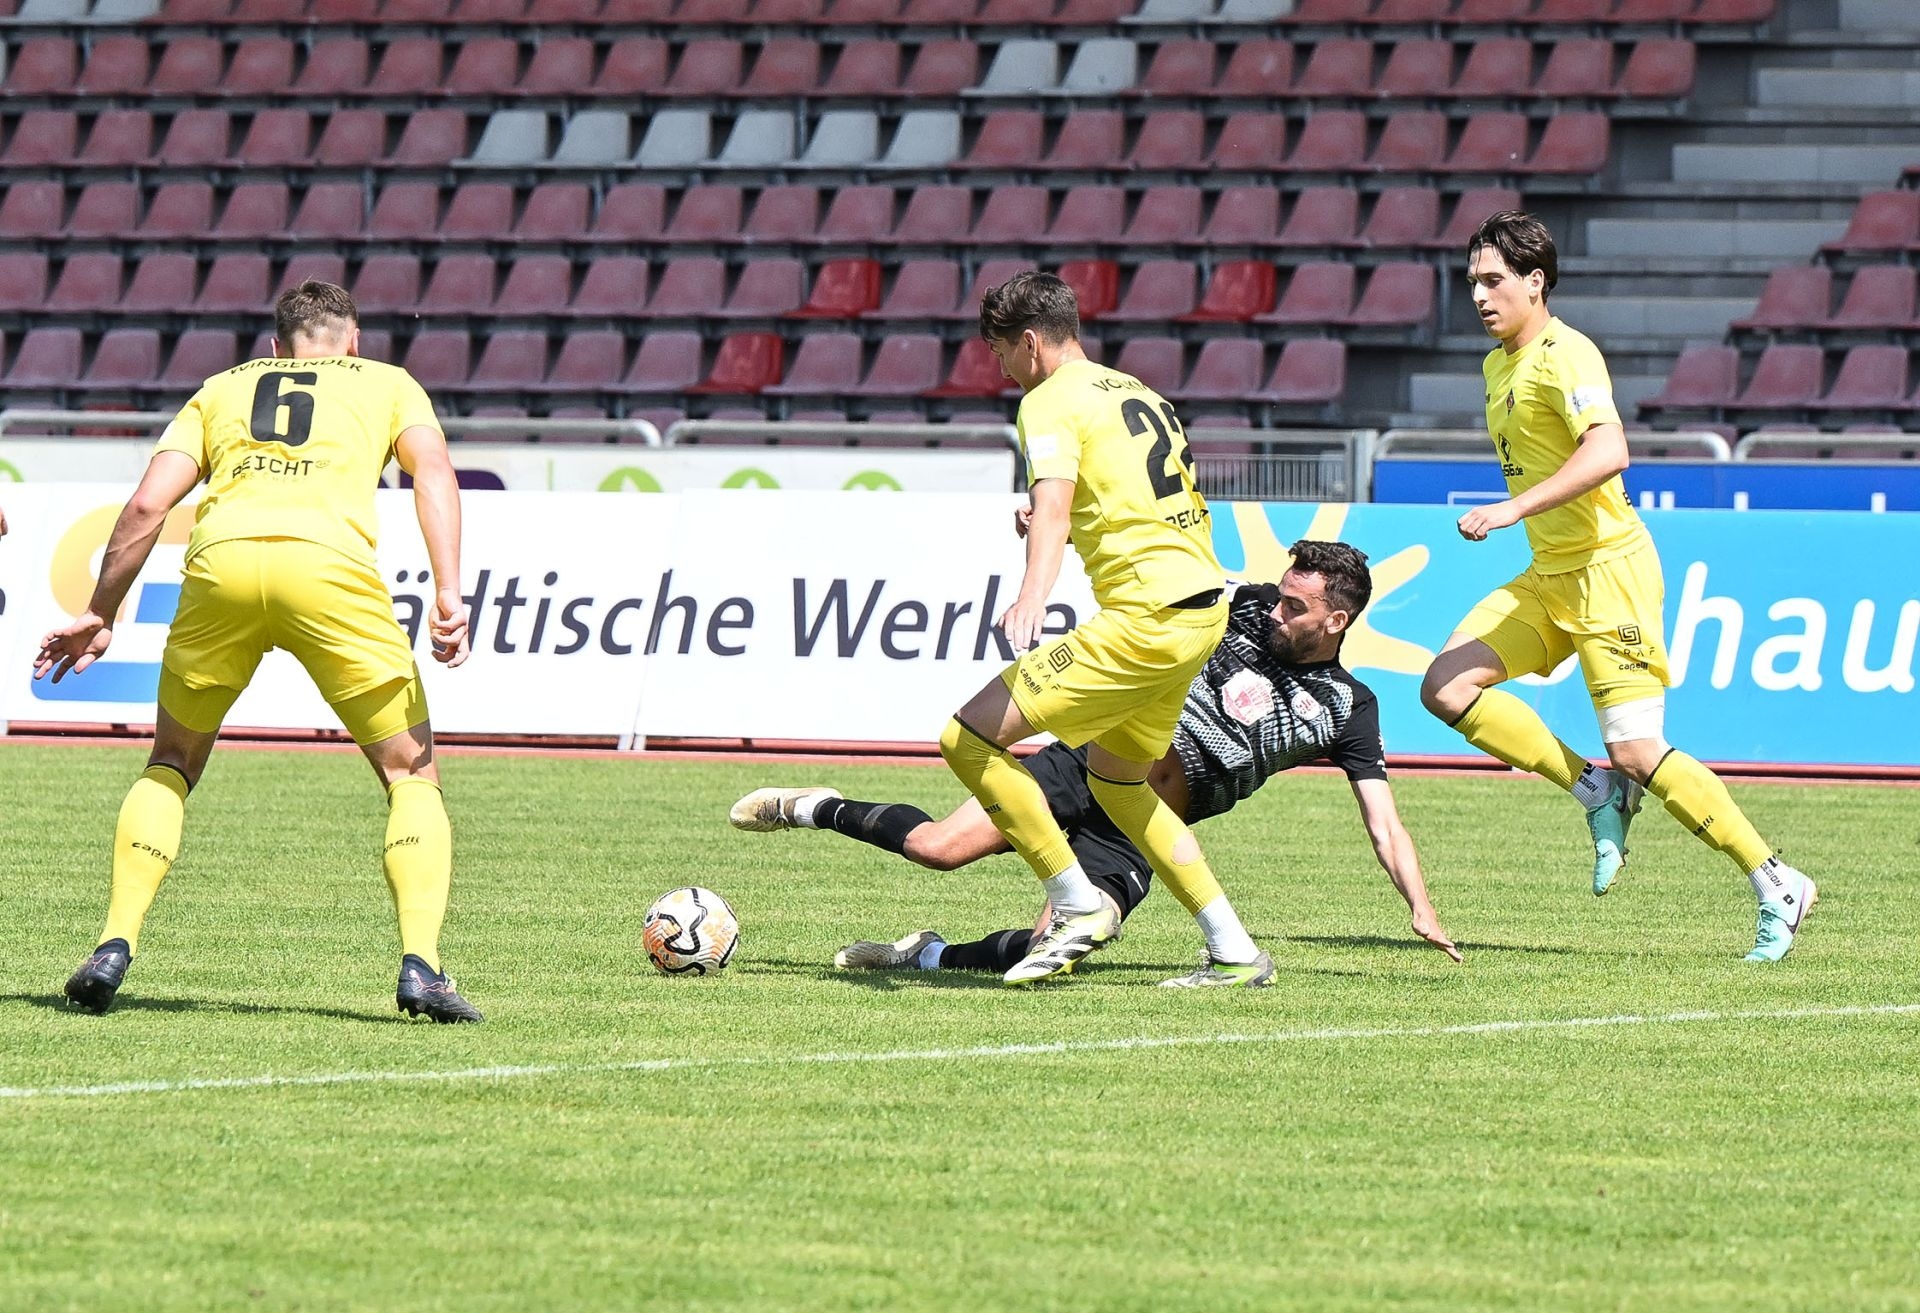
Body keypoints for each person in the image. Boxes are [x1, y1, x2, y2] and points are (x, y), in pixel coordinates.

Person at [35, 280, 485, 1020]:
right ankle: (423, 967)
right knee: (411, 772)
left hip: (224, 565)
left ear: (276, 348)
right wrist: (448, 590)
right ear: (354, 342)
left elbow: (149, 504)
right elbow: (431, 471)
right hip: (329, 571)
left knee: (171, 762)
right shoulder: (388, 383)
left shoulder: (222, 387)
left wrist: (99, 610)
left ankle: (113, 944)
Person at [734, 542, 1461, 977]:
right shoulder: (1239, 604)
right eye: (1281, 596)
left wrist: (1421, 909)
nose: (1276, 610)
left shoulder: (1347, 707)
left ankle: (925, 955)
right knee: (937, 848)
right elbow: (1151, 580)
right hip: (1088, 764)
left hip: (1142, 825)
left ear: (1336, 620)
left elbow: (1384, 823)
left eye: (1295, 607)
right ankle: (814, 806)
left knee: (1055, 947)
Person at [1419, 211, 1815, 962]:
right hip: (1549, 575)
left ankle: (1777, 882)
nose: (1478, 295)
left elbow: (1609, 451)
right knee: (1446, 687)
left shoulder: (1568, 355)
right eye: (1472, 281)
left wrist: (1511, 509)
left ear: (1536, 282)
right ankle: (1595, 791)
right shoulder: (1498, 364)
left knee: (1637, 750)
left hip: (1609, 575)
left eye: (1493, 280)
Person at [924, 271, 1270, 988]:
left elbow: (1054, 510)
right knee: (1118, 782)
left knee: (967, 738)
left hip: (1145, 617)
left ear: (1029, 341)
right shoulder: (1136, 391)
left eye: (1001, 353)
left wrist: (1031, 596)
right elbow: (1130, 501)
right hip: (1201, 611)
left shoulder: (1048, 399)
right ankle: (1235, 949)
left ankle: (1076, 903)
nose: (1003, 370)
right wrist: (1059, 516)